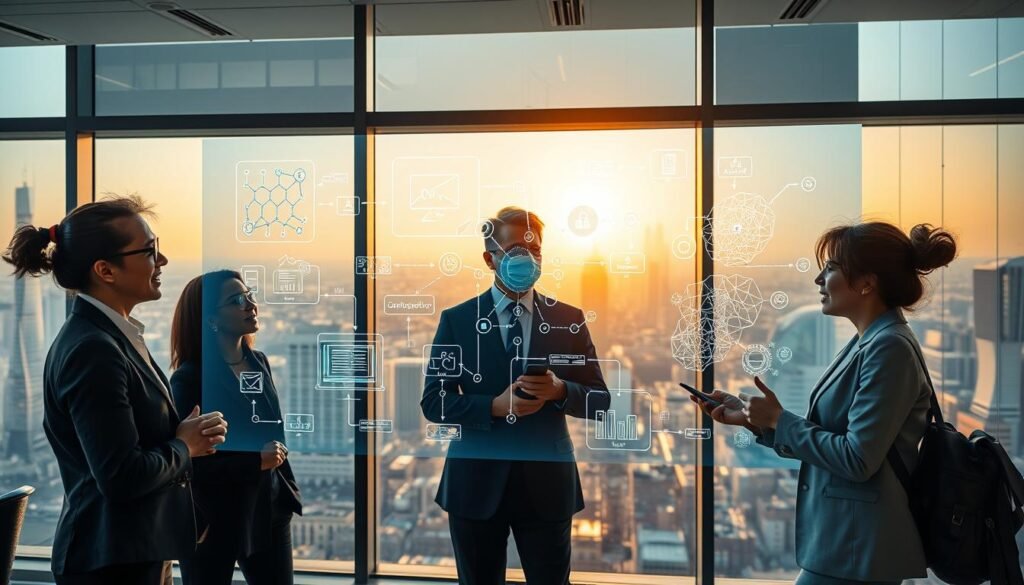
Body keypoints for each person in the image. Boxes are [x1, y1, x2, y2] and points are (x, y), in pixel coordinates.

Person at [693, 221, 957, 585]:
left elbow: (857, 458)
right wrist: (756, 421)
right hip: (845, 547)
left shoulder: (889, 348)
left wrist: (780, 420)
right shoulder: (870, 341)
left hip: (857, 550)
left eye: (831, 268)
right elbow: (835, 437)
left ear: (867, 282)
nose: (819, 279)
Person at [2, 196, 228, 585]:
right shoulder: (93, 349)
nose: (163, 261)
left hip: (133, 553)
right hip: (111, 563)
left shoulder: (111, 336)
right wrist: (183, 446)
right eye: (150, 251)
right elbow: (120, 475)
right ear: (105, 270)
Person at [421, 206, 611, 585]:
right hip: (474, 485)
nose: (527, 258)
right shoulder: (457, 320)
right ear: (490, 259)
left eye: (535, 249)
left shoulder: (568, 319)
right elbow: (433, 401)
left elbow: (600, 400)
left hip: (547, 486)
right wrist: (492, 406)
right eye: (514, 250)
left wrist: (560, 390)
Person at [169, 270, 301, 585]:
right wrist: (255, 461)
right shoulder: (189, 379)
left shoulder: (259, 362)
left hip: (267, 507)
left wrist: (282, 485)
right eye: (237, 300)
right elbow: (191, 462)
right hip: (214, 516)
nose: (251, 305)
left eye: (249, 294)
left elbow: (270, 429)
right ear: (211, 319)